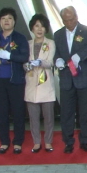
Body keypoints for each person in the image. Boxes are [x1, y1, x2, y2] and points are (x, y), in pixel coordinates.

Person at [53, 6, 87, 153]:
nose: (69, 23)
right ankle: (68, 141)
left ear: (76, 16)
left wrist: (80, 56)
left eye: (71, 19)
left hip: (84, 77)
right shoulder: (58, 34)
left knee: (86, 111)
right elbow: (56, 52)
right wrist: (57, 60)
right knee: (66, 112)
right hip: (66, 78)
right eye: (66, 20)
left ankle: (85, 141)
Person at [0, 7, 29, 154]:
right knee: (2, 112)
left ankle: (18, 142)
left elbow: (24, 57)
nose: (6, 21)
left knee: (18, 111)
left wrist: (9, 56)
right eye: (3, 18)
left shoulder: (20, 38)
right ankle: (4, 142)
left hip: (16, 80)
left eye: (9, 18)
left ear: (14, 21)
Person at [24, 14, 56, 153]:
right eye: (37, 26)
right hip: (31, 82)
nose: (39, 29)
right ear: (32, 27)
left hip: (45, 83)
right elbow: (23, 62)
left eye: (42, 26)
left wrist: (40, 62)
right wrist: (27, 65)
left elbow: (50, 62)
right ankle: (36, 142)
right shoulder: (27, 43)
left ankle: (48, 141)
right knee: (33, 117)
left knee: (48, 117)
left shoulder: (50, 43)